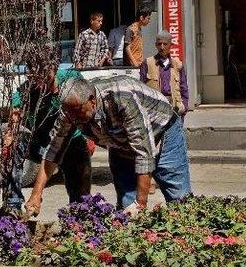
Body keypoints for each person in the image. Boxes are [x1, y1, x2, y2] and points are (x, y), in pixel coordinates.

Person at [25, 76, 191, 218]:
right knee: (127, 207)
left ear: (92, 101)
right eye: (70, 113)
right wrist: (36, 194)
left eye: (78, 112)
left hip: (163, 132)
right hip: (120, 145)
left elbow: (143, 152)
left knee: (178, 198)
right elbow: (53, 150)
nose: (74, 119)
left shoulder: (121, 98)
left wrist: (140, 204)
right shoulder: (69, 111)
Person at [2, 55, 93, 214]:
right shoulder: (24, 93)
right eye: (38, 79)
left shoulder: (71, 78)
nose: (44, 83)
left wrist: (89, 135)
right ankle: (13, 205)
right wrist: (6, 145)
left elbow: (88, 103)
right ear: (30, 75)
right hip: (42, 142)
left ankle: (79, 220)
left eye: (48, 77)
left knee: (80, 195)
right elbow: (13, 122)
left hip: (73, 141)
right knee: (14, 147)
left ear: (55, 69)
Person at [140, 30, 189, 117]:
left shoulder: (177, 64)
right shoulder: (147, 63)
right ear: (156, 45)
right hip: (154, 109)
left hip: (175, 109)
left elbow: (183, 87)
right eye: (159, 44)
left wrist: (184, 106)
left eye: (165, 44)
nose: (162, 47)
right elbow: (141, 88)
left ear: (171, 45)